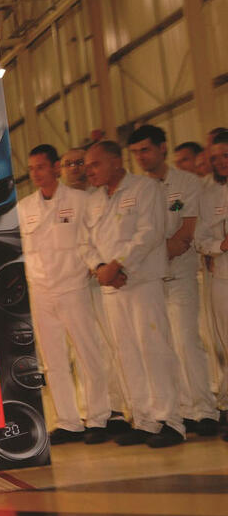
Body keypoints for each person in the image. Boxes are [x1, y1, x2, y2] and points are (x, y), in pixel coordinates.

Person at [82, 140, 185, 448]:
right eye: (87, 166)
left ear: (116, 162)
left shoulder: (145, 189)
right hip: (113, 286)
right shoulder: (94, 200)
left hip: (142, 281)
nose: (90, 171)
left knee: (154, 348)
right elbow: (85, 241)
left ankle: (171, 421)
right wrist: (100, 266)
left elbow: (150, 232)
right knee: (126, 352)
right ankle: (144, 420)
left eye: (95, 165)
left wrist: (119, 264)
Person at [18, 144, 113, 444]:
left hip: (74, 287)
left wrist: (94, 265)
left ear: (56, 167)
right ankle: (68, 421)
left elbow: (93, 238)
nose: (36, 173)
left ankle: (98, 417)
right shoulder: (25, 208)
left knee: (88, 353)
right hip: (42, 292)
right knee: (54, 360)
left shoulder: (80, 200)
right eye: (32, 169)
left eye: (41, 167)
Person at [127, 125, 218, 436]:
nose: (141, 157)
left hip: (179, 275)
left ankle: (204, 409)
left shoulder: (186, 183)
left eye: (146, 150)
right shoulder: (135, 188)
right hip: (148, 281)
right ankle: (176, 411)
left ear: (162, 148)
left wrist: (148, 255)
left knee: (186, 340)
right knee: (157, 346)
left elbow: (186, 230)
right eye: (135, 152)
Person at [195, 131, 228, 428]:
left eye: (225, 155)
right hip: (222, 278)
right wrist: (220, 247)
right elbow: (201, 239)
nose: (220, 162)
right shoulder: (210, 196)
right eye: (215, 158)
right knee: (225, 344)